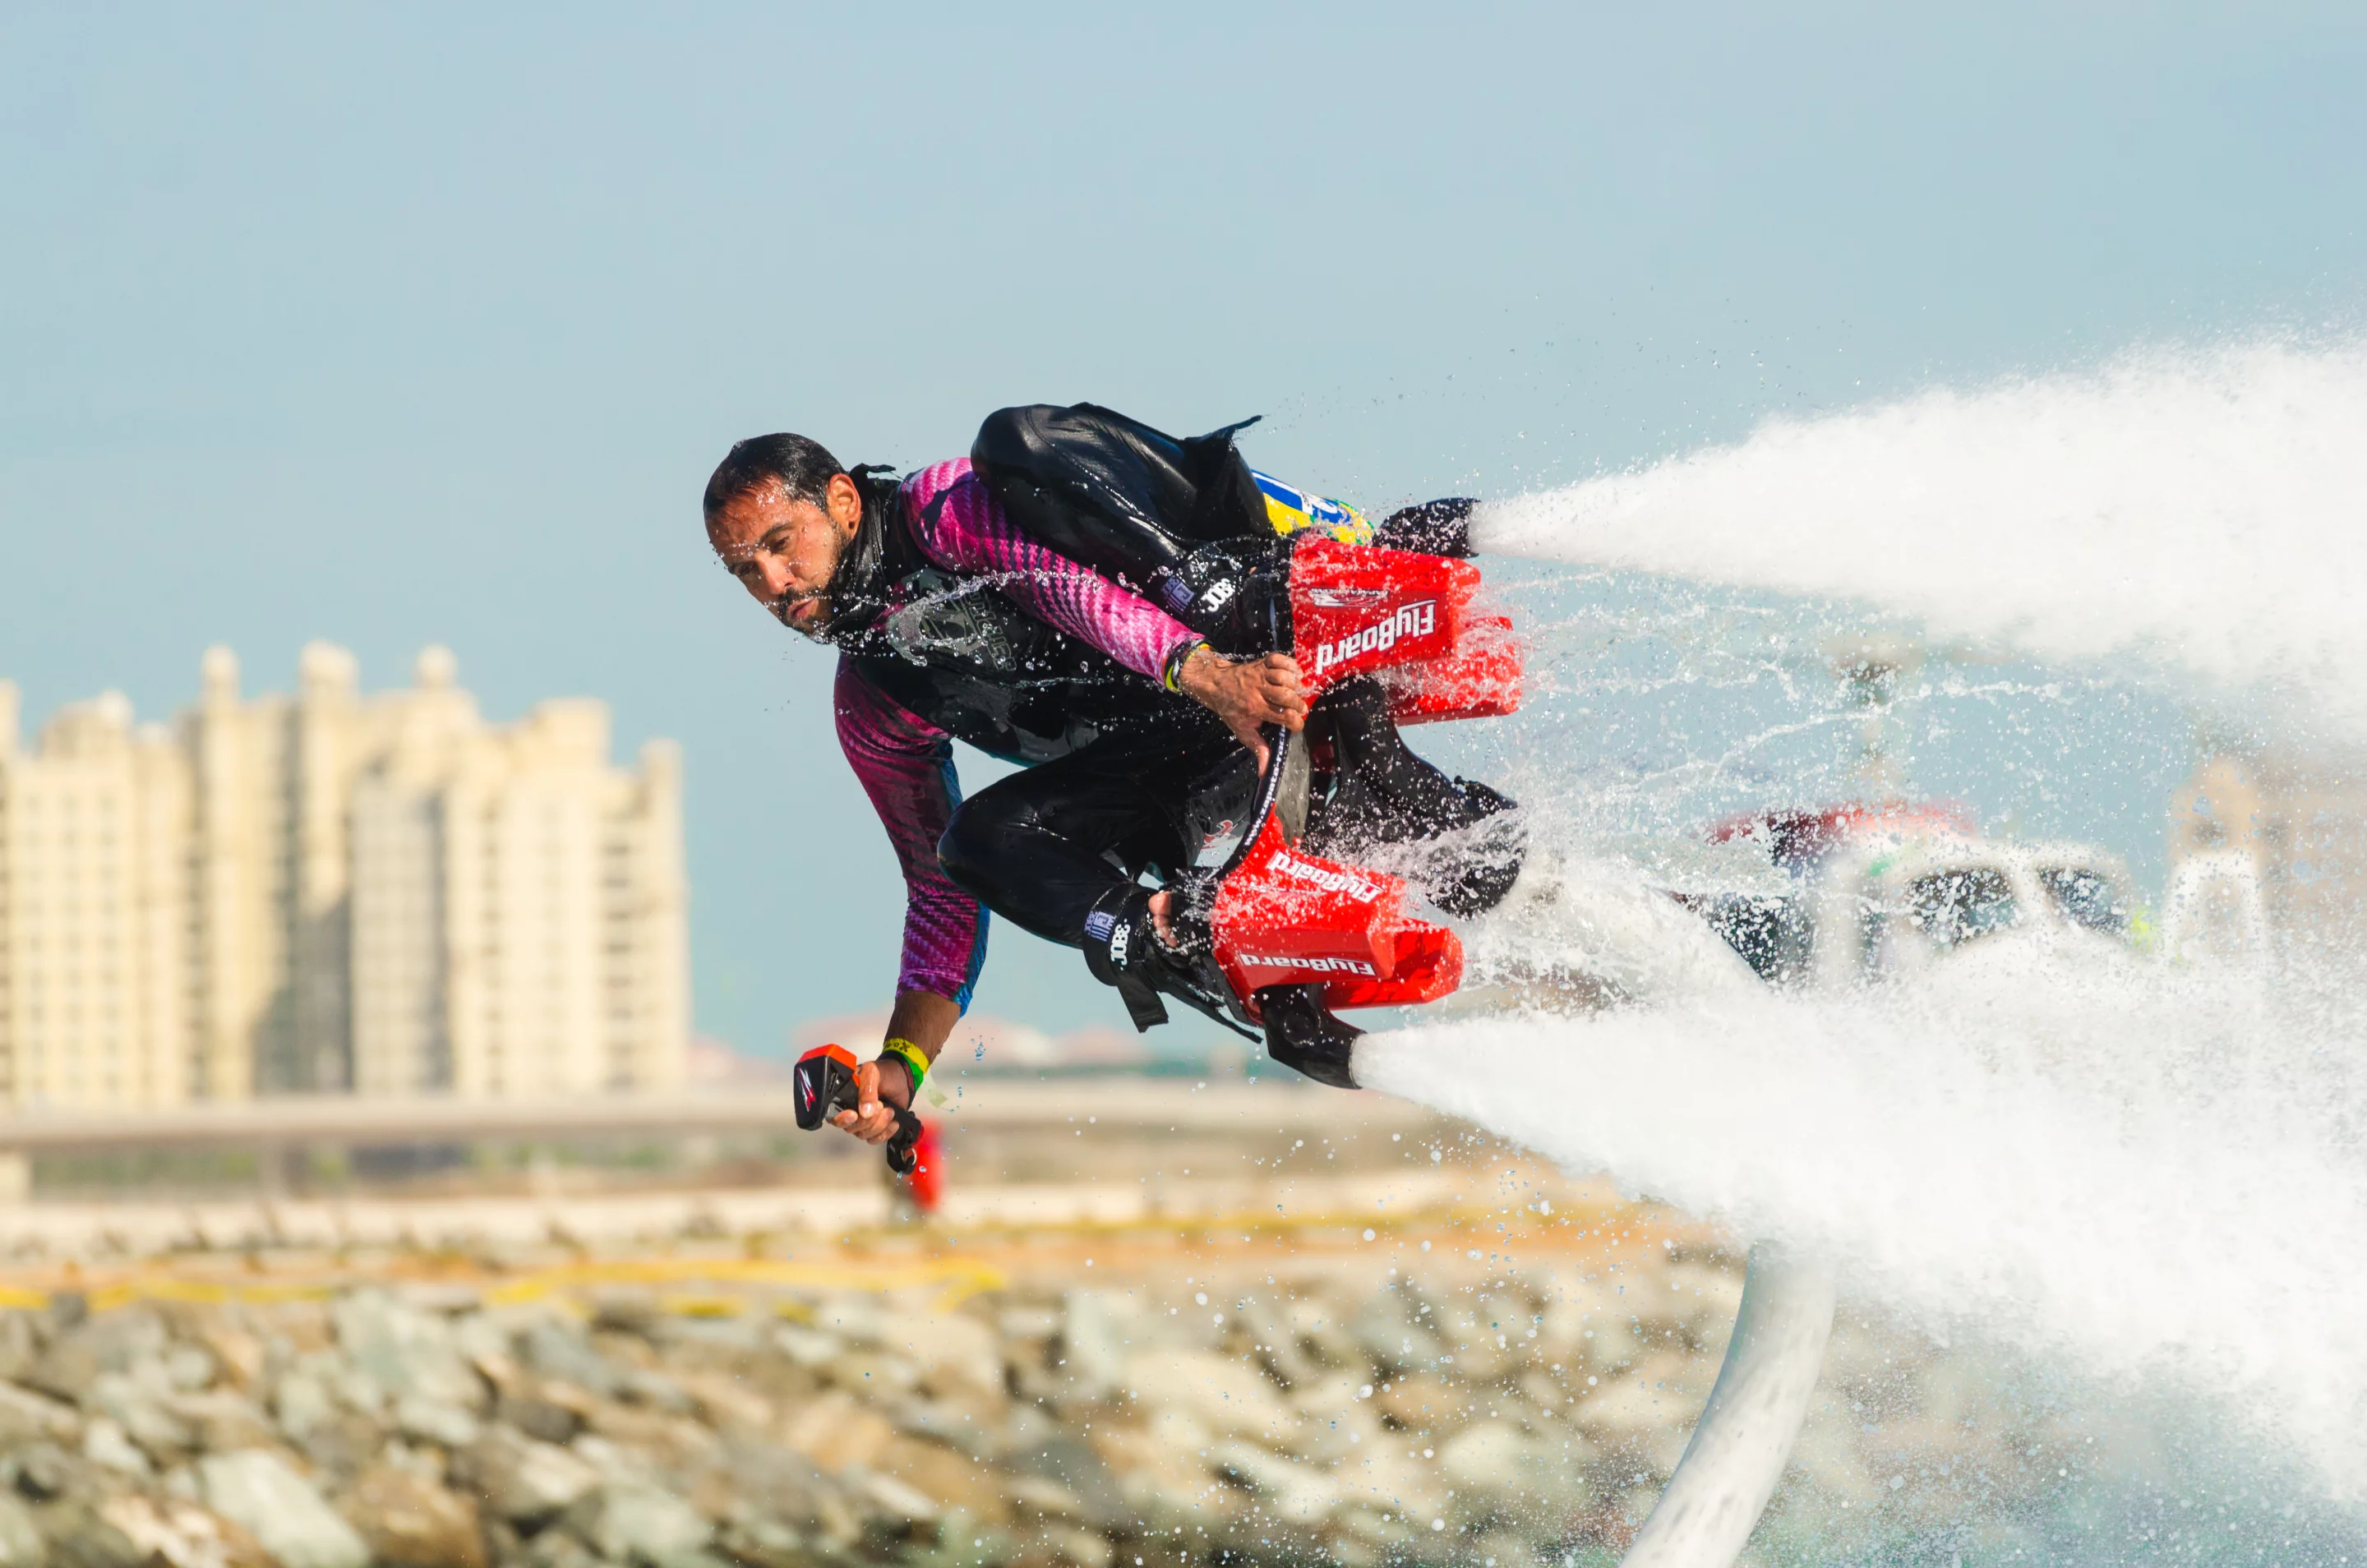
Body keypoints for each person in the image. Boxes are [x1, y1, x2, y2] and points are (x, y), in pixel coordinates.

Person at [702, 404, 1511, 1150]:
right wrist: (900, 1067)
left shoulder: (942, 512)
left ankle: (1231, 600)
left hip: (1236, 608)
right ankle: (1181, 925)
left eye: (780, 543)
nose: (773, 584)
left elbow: (1065, 590)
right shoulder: (873, 705)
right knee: (977, 842)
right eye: (745, 570)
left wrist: (1207, 669)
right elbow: (938, 891)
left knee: (1014, 439)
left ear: (843, 501)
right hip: (1191, 744)